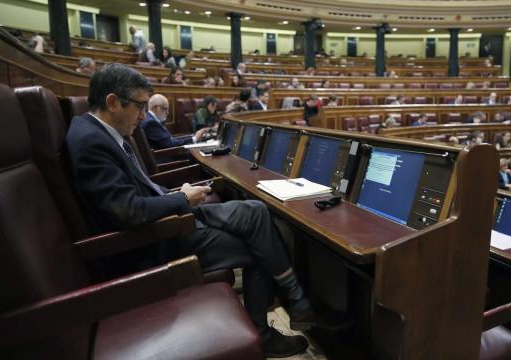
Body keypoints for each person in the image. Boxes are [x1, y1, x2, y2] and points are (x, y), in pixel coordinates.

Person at [65, 64, 320, 357]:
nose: (144, 116)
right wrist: (181, 200)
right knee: (258, 248)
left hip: (165, 217)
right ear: (112, 102)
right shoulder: (91, 142)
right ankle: (274, 326)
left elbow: (133, 192)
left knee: (256, 210)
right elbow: (127, 212)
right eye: (139, 106)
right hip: (151, 241)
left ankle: (296, 300)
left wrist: (175, 194)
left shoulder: (100, 132)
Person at [141, 94, 210, 149]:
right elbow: (170, 144)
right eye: (166, 109)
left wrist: (193, 137)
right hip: (168, 161)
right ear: (157, 108)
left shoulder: (150, 119)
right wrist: (194, 139)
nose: (167, 113)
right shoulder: (151, 123)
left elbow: (169, 140)